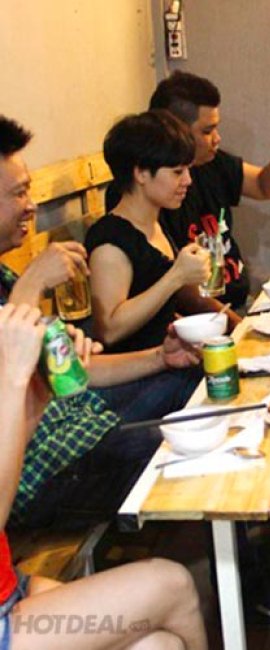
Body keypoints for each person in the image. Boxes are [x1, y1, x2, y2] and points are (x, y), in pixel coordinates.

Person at [0, 114, 203, 529]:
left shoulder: (4, 276)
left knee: (201, 387)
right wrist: (31, 287)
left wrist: (161, 357)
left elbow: (75, 373)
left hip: (83, 426)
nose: (31, 205)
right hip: (43, 474)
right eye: (19, 193)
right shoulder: (109, 241)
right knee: (192, 450)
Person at [0, 302, 209, 650]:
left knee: (157, 645)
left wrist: (40, 388)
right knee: (173, 584)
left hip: (10, 587)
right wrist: (12, 377)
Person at [108, 70, 270, 309]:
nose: (217, 138)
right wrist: (235, 324)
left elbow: (262, 187)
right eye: (207, 131)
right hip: (201, 316)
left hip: (234, 301)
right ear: (176, 129)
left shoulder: (211, 163)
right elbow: (180, 291)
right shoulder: (143, 195)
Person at [86, 109, 239, 354]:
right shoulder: (110, 243)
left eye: (188, 170)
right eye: (178, 172)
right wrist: (176, 276)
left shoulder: (154, 223)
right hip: (141, 369)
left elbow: (178, 295)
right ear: (141, 173)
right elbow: (109, 330)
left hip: (173, 355)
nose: (188, 180)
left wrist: (236, 323)